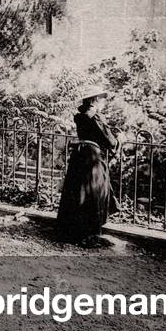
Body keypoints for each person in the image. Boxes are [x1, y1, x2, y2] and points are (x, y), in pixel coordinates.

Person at [56, 86, 119, 246]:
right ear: (95, 99)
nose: (104, 102)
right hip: (92, 157)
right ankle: (88, 232)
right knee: (93, 191)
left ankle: (70, 230)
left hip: (79, 155)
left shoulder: (80, 115)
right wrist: (120, 139)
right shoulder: (95, 116)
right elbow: (110, 142)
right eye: (102, 98)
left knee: (77, 190)